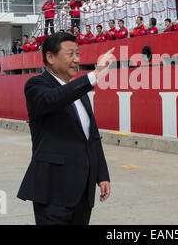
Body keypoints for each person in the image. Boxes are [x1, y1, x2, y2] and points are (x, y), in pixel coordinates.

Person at [17, 33, 113, 225]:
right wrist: (94, 75)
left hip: (82, 192)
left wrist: (102, 175)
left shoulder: (80, 92)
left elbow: (91, 137)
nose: (76, 60)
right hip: (53, 191)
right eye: (70, 54)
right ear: (50, 57)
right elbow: (54, 99)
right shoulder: (36, 85)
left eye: (78, 54)